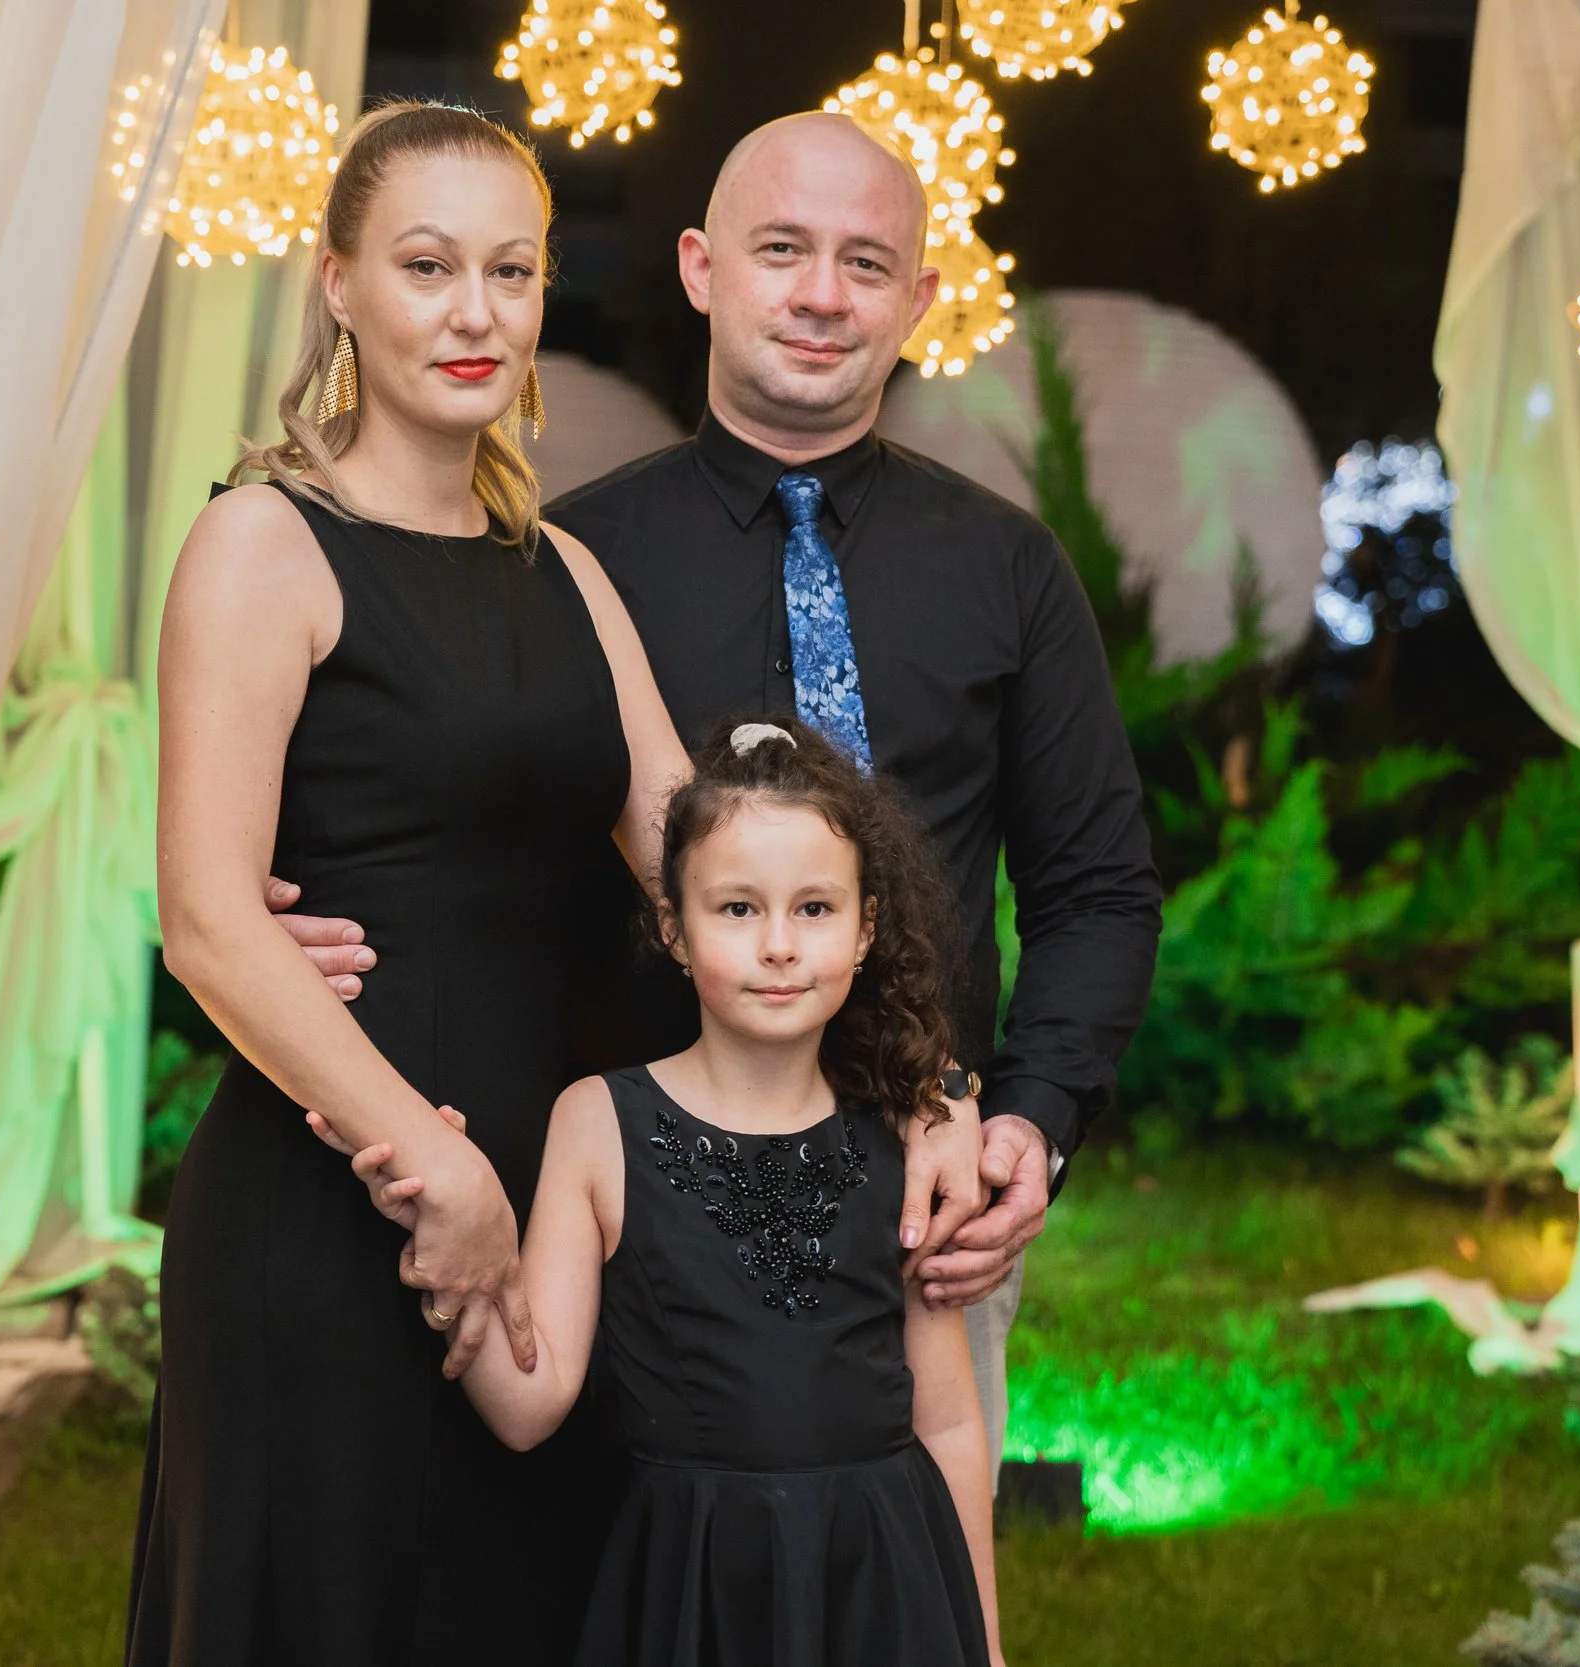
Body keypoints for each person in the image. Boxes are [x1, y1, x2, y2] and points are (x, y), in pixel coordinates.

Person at [282, 110, 1165, 1476]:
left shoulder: (1007, 569)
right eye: (781, 249)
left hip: (925, 1189)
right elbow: (467, 828)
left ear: (921, 300)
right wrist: (314, 918)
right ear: (698, 268)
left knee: (904, 1566)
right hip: (632, 1194)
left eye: (867, 264)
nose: (822, 294)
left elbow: (1098, 890)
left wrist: (1023, 1127)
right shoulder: (564, 563)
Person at [132, 102, 695, 1667]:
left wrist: (888, 1044)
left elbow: (690, 857)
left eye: (510, 272)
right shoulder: (263, 543)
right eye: (428, 265)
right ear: (339, 284)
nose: (474, 312)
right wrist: (433, 1171)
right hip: (330, 1208)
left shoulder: (567, 569)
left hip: (558, 1196)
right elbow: (209, 919)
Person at [332, 718, 1005, 1667]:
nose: (778, 945)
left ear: (867, 928)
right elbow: (528, 1404)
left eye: (814, 908)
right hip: (690, 1595)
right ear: (673, 927)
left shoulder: (912, 1133)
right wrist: (433, 1225)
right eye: (737, 908)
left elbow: (947, 1418)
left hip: (881, 1586)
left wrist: (984, 1641)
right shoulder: (598, 1123)